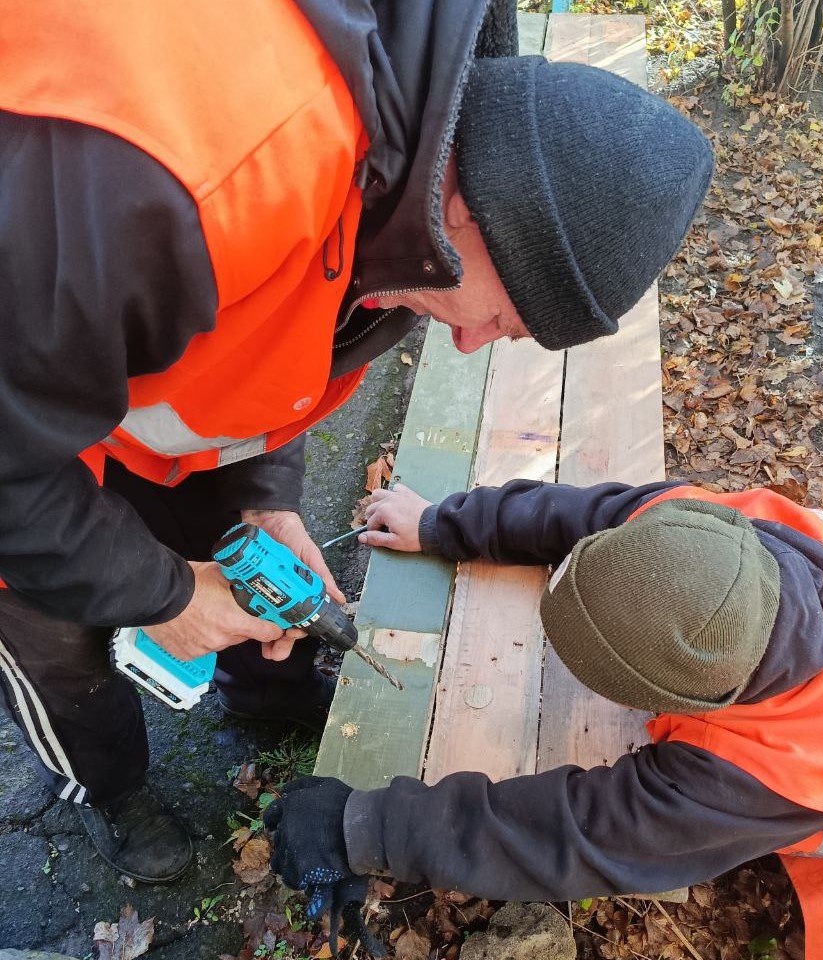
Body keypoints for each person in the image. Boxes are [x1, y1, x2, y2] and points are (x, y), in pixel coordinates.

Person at [0, 1, 713, 883]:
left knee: (211, 544)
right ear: (468, 214)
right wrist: (164, 594)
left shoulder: (419, 205)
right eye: (502, 319)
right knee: (50, 628)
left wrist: (265, 496)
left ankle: (261, 696)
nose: (469, 343)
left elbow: (276, 346)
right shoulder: (192, 189)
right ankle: (107, 790)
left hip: (90, 361)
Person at [266, 479, 823, 960]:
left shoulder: (787, 762)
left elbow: (577, 837)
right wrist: (443, 523)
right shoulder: (714, 534)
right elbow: (587, 513)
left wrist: (359, 826)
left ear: (690, 702)